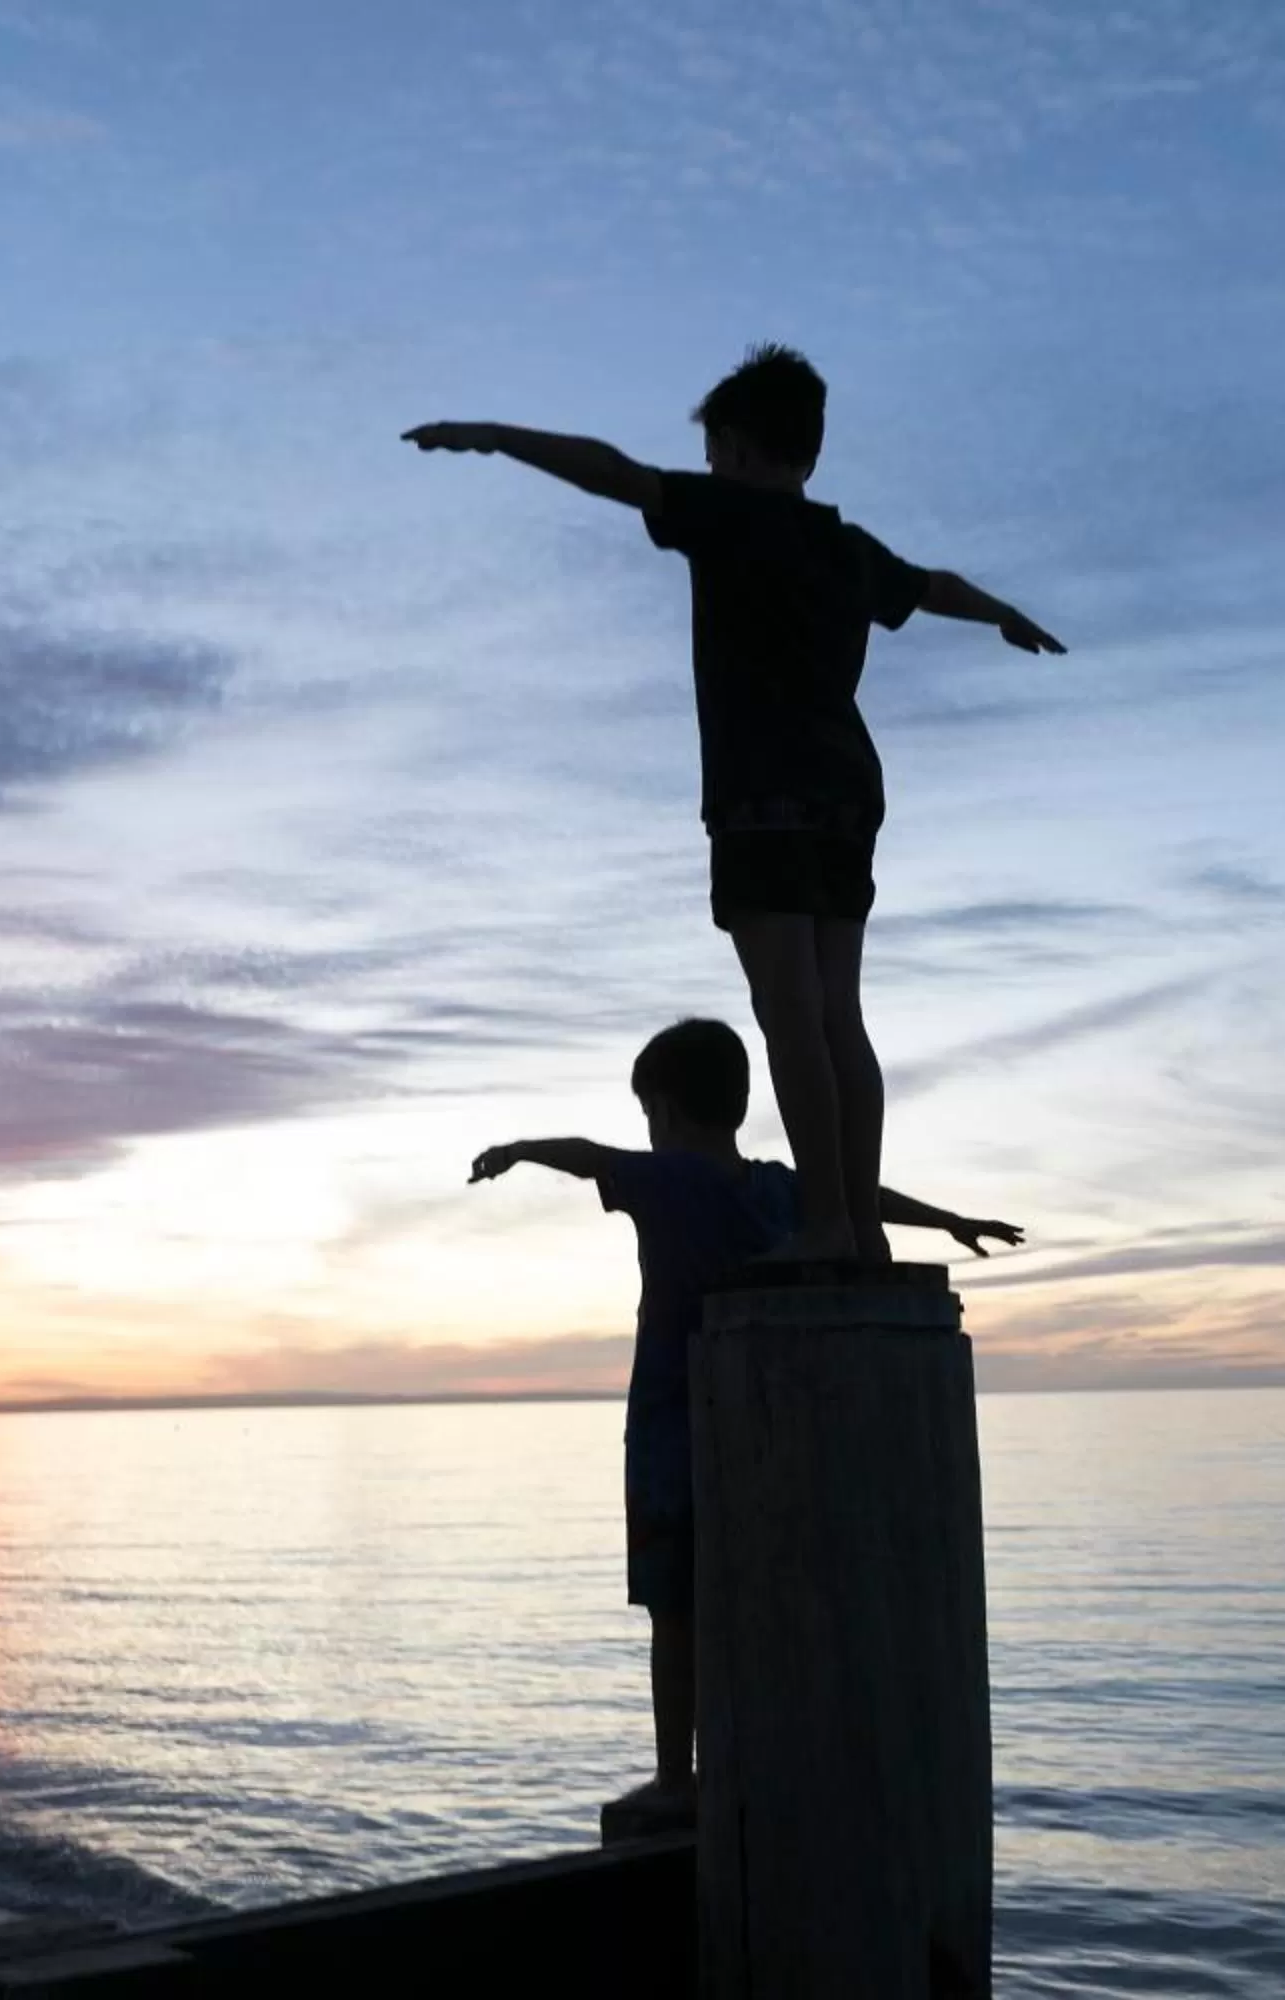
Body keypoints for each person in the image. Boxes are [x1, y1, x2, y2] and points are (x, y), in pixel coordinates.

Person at [408, 346, 1063, 1264]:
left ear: (744, 450)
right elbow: (932, 584)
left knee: (791, 1017)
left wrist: (491, 437)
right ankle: (858, 1227)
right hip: (847, 793)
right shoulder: (846, 548)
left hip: (764, 793)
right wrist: (1003, 612)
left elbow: (612, 472)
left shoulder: (726, 515)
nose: (706, 467)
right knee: (841, 1017)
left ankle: (830, 1224)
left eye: (713, 450)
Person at [469, 1017, 1018, 1828]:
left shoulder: (662, 1181)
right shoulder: (777, 1188)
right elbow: (867, 1199)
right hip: (762, 1437)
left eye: (649, 1113)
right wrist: (952, 1222)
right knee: (748, 1597)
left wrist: (517, 1149)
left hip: (666, 1424)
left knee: (674, 1608)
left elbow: (588, 1155)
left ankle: (674, 1777)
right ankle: (761, 1755)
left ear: (663, 1109)